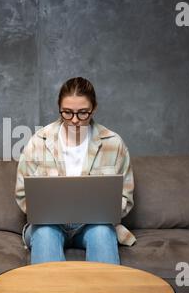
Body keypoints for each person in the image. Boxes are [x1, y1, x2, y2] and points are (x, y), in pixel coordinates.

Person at [15, 77, 136, 265]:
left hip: (93, 226)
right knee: (45, 233)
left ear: (94, 108)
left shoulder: (113, 144)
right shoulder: (39, 142)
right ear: (59, 108)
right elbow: (23, 194)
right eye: (67, 113)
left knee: (102, 232)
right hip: (48, 226)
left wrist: (100, 213)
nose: (74, 120)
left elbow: (125, 198)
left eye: (83, 113)